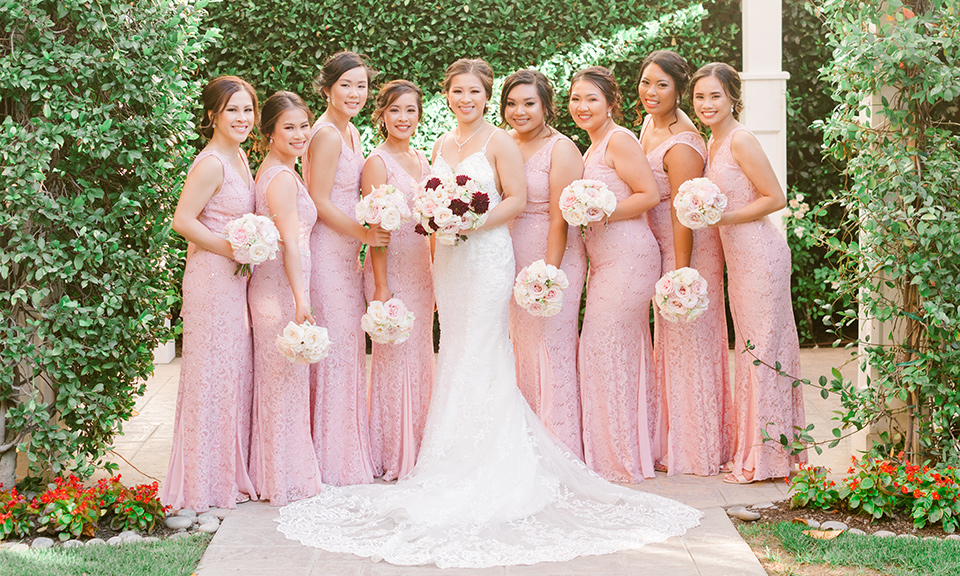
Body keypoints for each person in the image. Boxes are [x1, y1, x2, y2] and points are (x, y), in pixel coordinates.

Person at [276, 59, 701, 569]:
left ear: (486, 96)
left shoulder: (498, 142)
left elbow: (518, 201)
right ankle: (447, 457)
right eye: (457, 92)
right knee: (454, 348)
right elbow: (428, 205)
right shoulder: (438, 144)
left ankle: (495, 460)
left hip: (486, 254)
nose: (465, 100)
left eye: (475, 92)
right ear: (448, 95)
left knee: (484, 347)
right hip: (451, 261)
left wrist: (474, 223)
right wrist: (438, 225)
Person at [691, 62, 807, 484]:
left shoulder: (740, 139)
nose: (706, 104)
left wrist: (723, 216)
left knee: (762, 351)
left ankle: (765, 459)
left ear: (732, 98)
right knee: (753, 349)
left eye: (714, 96)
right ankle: (757, 451)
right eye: (700, 96)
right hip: (738, 258)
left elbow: (775, 197)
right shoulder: (713, 139)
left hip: (760, 253)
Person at [163, 76, 258, 512]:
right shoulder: (211, 162)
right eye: (232, 110)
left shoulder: (239, 154)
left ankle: (225, 473)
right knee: (210, 375)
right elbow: (183, 220)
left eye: (248, 110)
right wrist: (235, 247)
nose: (242, 118)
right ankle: (202, 482)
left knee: (230, 372)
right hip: (210, 278)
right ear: (212, 115)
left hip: (234, 277)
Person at [636, 51, 733, 476]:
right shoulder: (648, 124)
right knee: (670, 347)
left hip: (687, 253)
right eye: (645, 82)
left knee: (689, 345)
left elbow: (683, 214)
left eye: (661, 85)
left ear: (678, 89)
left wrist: (681, 273)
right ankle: (670, 439)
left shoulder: (684, 142)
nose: (651, 92)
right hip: (661, 249)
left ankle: (696, 448)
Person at [571, 66, 661, 482]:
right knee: (610, 352)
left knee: (604, 349)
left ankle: (618, 458)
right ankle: (619, 449)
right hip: (604, 261)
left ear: (610, 103)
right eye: (575, 98)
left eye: (591, 98)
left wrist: (600, 210)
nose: (582, 106)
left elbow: (649, 195)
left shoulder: (619, 140)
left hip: (629, 258)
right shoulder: (590, 149)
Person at [303, 51, 387, 486]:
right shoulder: (327, 135)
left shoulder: (350, 130)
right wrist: (365, 232)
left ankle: (343, 449)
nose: (355, 94)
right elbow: (318, 201)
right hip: (325, 254)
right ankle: (329, 459)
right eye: (346, 85)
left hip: (343, 254)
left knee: (347, 349)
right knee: (335, 353)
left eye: (362, 85)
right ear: (327, 88)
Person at [501, 69, 586, 459]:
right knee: (519, 346)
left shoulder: (561, 149)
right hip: (508, 254)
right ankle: (522, 441)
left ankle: (558, 445)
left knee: (550, 345)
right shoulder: (501, 143)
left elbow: (560, 218)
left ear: (546, 106)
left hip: (552, 255)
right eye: (512, 103)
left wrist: (549, 276)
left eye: (529, 103)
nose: (519, 111)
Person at [247, 91, 323, 505]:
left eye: (303, 126)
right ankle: (282, 477)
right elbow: (291, 243)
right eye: (288, 128)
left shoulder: (282, 171)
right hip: (280, 289)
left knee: (285, 381)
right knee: (283, 382)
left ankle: (284, 470)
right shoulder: (279, 178)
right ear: (270, 133)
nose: (299, 135)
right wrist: (301, 300)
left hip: (282, 284)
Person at [361, 80, 435, 481]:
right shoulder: (377, 162)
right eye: (395, 111)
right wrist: (381, 285)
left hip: (421, 269)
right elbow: (376, 233)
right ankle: (392, 449)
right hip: (392, 274)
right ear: (382, 115)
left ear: (419, 114)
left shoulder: (422, 160)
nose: (403, 118)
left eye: (410, 110)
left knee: (421, 355)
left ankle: (421, 444)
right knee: (394, 358)